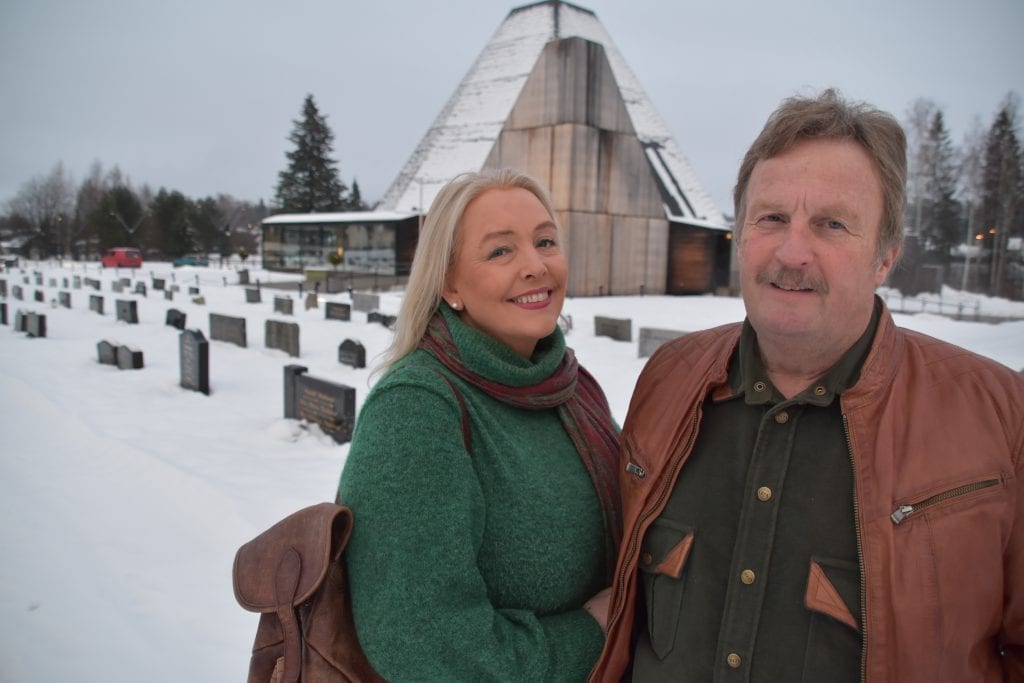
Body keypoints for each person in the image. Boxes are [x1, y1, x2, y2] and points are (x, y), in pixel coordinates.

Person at [590, 89, 1024, 682]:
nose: (793, 253)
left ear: (885, 257)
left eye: (832, 224)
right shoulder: (670, 381)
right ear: (741, 235)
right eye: (771, 218)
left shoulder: (998, 418)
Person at [337, 168, 620, 680]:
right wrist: (595, 632)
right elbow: (427, 648)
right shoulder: (418, 408)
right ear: (449, 284)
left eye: (546, 241)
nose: (536, 266)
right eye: (500, 251)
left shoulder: (575, 389)